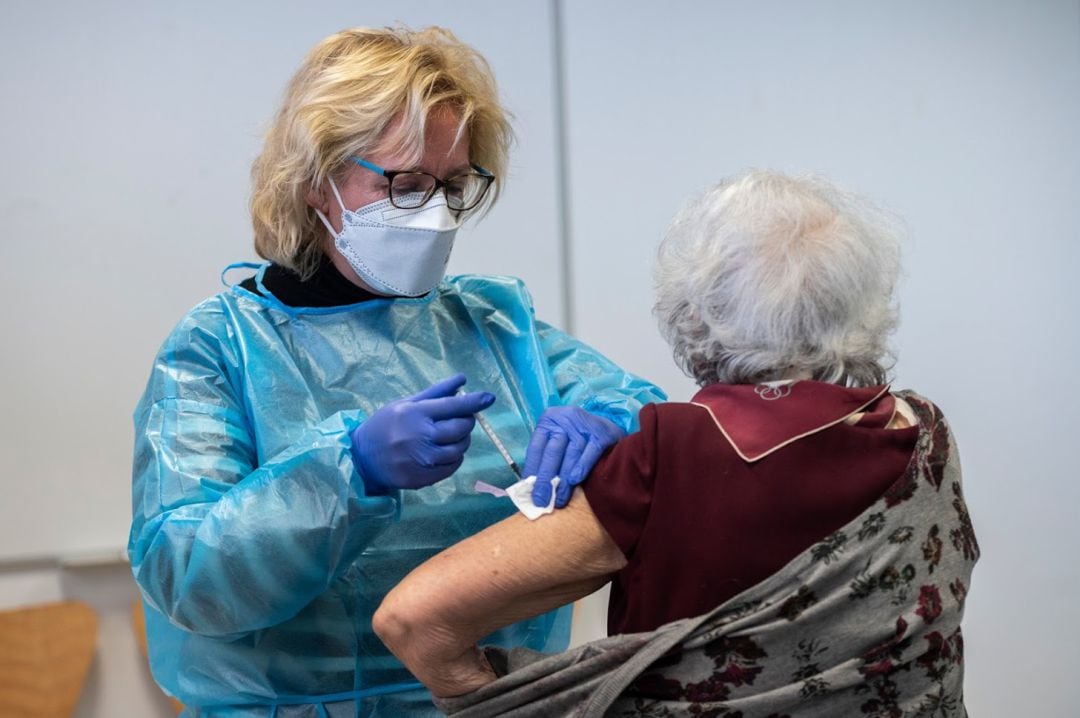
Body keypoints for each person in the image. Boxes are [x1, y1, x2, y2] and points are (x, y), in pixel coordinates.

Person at [127, 26, 664, 718]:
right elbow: (186, 572)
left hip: (490, 701)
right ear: (318, 179)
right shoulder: (217, 348)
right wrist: (349, 471)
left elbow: (643, 414)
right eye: (407, 185)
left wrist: (608, 425)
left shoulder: (491, 323)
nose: (437, 213)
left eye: (454, 186)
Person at [374, 170, 980, 716]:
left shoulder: (674, 452)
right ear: (864, 307)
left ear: (694, 312)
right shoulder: (923, 433)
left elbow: (413, 619)